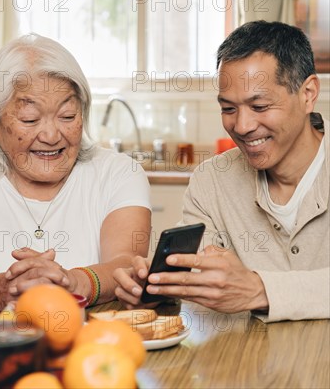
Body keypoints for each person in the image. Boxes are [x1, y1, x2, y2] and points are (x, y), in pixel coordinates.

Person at [0, 34, 152, 315]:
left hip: (91, 347)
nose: (51, 135)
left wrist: (75, 282)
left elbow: (127, 261)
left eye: (67, 116)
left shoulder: (119, 173)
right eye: (30, 120)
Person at [114, 21, 329, 322]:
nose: (241, 126)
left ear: (308, 94)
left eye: (260, 106)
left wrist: (260, 290)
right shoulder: (211, 181)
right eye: (228, 109)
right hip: (245, 363)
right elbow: (199, 272)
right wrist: (157, 289)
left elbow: (248, 290)